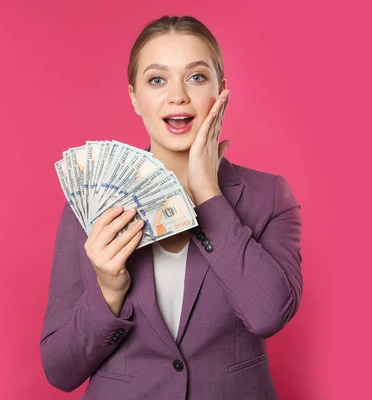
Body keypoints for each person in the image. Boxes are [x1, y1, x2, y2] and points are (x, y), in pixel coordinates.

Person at [40, 15, 303, 400]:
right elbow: (60, 370)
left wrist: (209, 195)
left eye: (196, 77)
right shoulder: (89, 208)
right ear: (134, 96)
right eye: (157, 79)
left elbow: (269, 315)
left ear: (222, 90)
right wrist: (109, 291)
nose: (177, 95)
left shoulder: (270, 196)